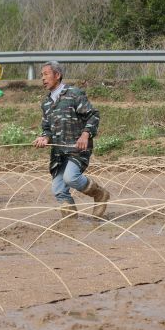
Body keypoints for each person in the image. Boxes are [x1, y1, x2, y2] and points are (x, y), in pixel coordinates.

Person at [33, 61, 110, 219]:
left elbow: (92, 115)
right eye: (42, 75)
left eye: (46, 74)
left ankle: (100, 194)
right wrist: (44, 137)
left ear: (58, 75)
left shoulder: (74, 94)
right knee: (59, 190)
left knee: (71, 177)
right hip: (59, 154)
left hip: (77, 149)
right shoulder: (46, 103)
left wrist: (85, 134)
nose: (43, 78)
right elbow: (46, 128)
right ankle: (71, 221)